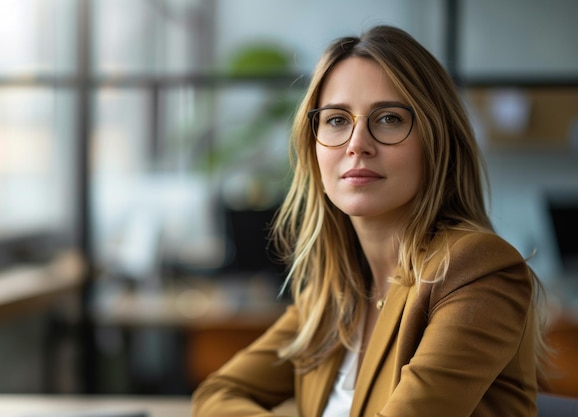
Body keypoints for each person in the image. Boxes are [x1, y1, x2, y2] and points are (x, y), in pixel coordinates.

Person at [191, 25, 548, 417]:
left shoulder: (476, 270)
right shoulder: (335, 293)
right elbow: (217, 394)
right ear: (313, 146)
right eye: (337, 120)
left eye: (389, 118)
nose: (357, 143)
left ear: (437, 140)